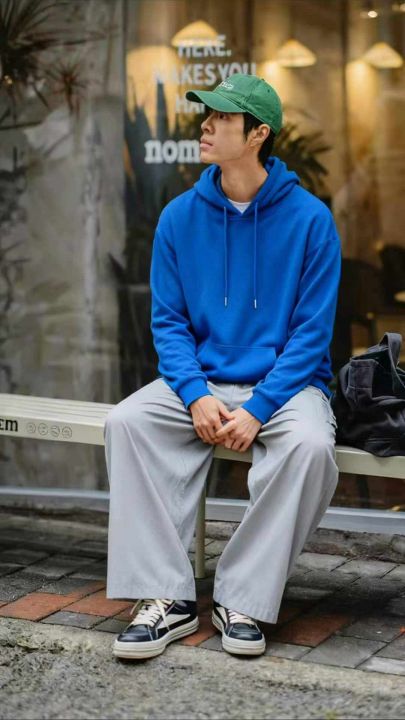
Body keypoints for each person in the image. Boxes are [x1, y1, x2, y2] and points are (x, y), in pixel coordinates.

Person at [104, 73, 342, 660]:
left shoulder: (311, 220)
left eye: (222, 118)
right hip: (202, 379)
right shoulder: (178, 218)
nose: (206, 126)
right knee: (127, 422)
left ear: (258, 134)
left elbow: (312, 335)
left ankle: (241, 597)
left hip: (285, 387)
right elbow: (169, 324)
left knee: (311, 447)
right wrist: (194, 394)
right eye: (205, 116)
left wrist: (260, 407)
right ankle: (166, 596)